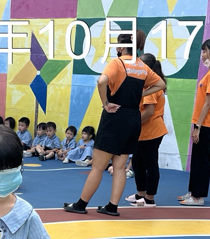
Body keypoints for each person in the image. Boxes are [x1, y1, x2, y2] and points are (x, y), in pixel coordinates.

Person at [63, 33, 166, 215]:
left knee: (97, 166)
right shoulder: (142, 67)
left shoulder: (117, 63)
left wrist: (105, 103)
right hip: (133, 118)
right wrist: (139, 95)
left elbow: (101, 81)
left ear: (121, 47)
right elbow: (161, 84)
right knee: (119, 167)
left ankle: (81, 204)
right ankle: (112, 206)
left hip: (115, 116)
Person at [180, 37, 210, 206]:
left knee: (201, 160)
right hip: (201, 122)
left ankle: (198, 196)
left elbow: (208, 102)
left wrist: (198, 126)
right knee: (197, 159)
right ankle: (193, 192)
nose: (202, 54)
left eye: (205, 51)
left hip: (205, 123)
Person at [126, 53, 167, 207]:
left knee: (150, 165)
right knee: (138, 163)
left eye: (139, 64)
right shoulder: (145, 84)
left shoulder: (150, 86)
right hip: (143, 132)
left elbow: (149, 112)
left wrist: (133, 124)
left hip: (151, 132)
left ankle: (149, 199)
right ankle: (141, 194)